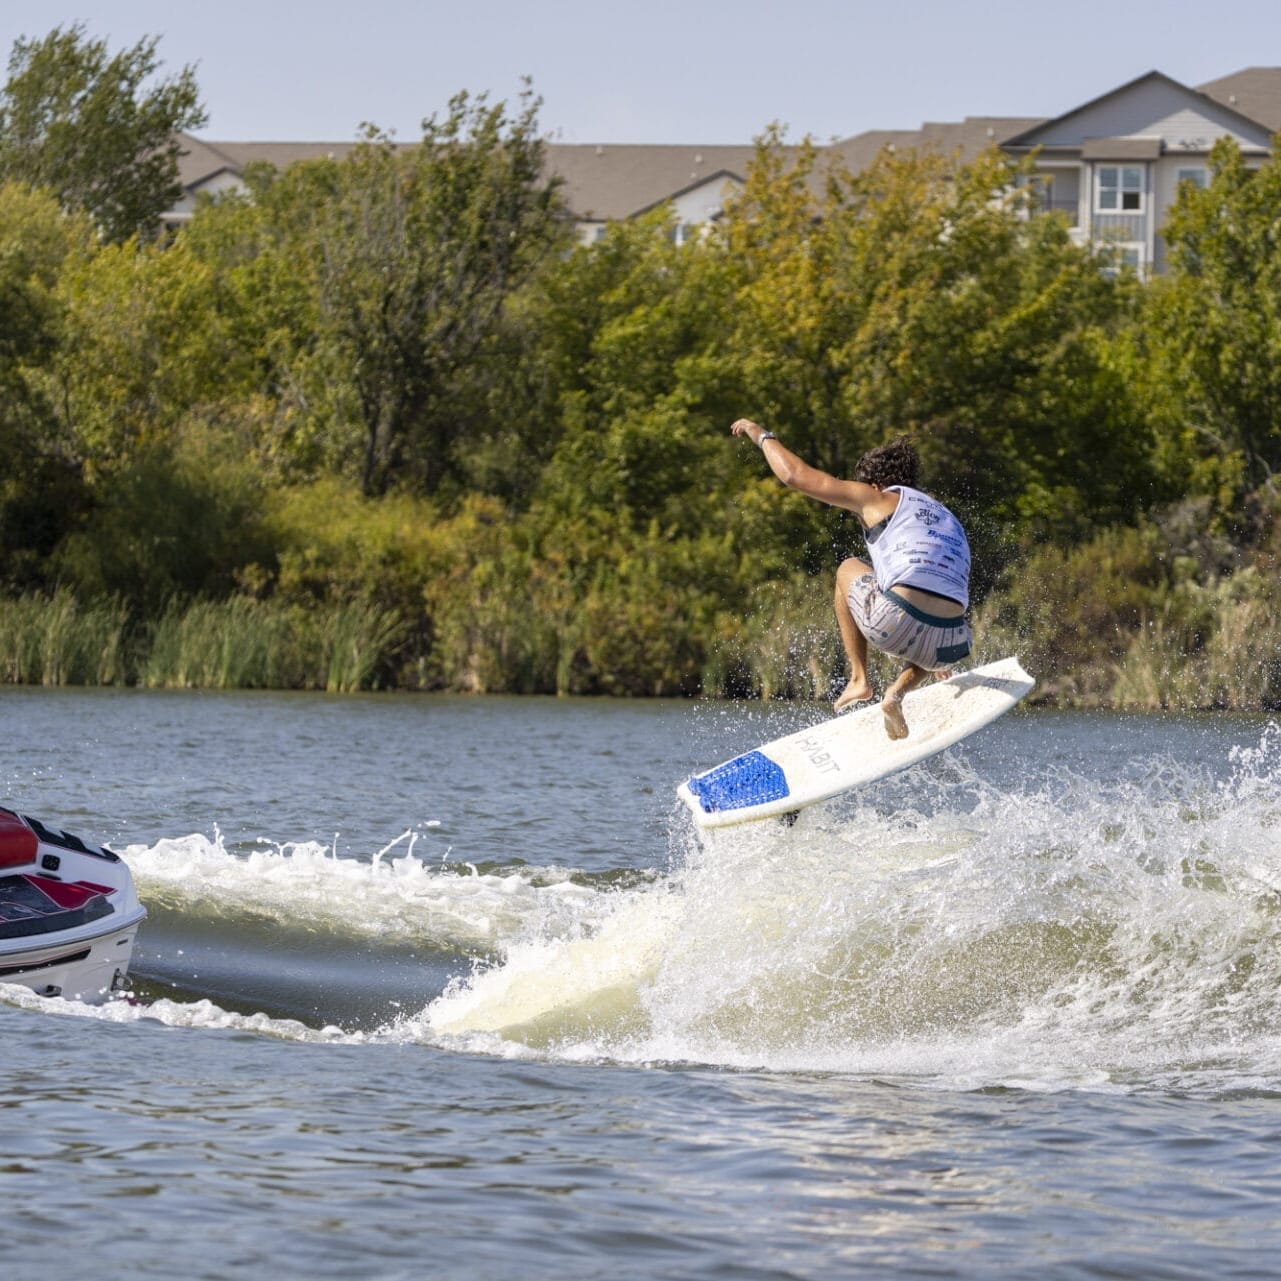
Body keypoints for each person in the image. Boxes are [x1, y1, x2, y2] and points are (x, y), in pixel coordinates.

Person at [730, 418, 972, 740]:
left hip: (894, 623)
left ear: (873, 486)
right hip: (954, 640)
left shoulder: (878, 498)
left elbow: (794, 476)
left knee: (847, 568)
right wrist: (936, 651)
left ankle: (860, 679)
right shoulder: (945, 517)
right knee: (922, 614)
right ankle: (896, 695)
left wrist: (759, 434)